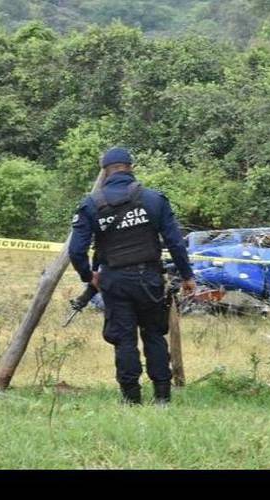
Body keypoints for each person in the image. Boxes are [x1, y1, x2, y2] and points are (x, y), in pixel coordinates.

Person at [69, 147, 196, 406]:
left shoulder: (91, 204)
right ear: (130, 167)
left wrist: (88, 276)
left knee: (124, 339)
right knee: (153, 335)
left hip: (114, 281)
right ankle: (162, 397)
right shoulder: (154, 199)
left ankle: (131, 399)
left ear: (105, 171)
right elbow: (175, 242)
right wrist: (187, 276)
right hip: (149, 279)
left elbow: (76, 250)